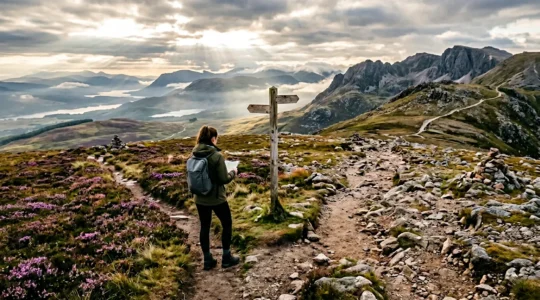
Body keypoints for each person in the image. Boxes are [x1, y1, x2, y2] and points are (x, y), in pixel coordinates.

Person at [191, 125, 240, 270]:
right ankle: (226, 258)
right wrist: (233, 172)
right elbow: (223, 179)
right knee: (227, 224)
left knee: (204, 226)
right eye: (216, 138)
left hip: (200, 198)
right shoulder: (216, 156)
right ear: (213, 139)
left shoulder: (194, 154)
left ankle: (207, 260)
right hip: (217, 198)